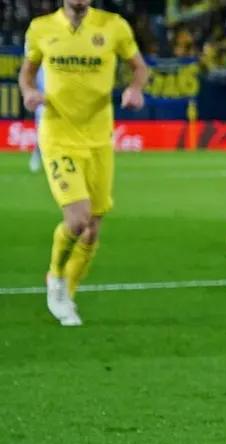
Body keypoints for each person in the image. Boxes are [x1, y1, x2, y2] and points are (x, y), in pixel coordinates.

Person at [19, 0, 149, 326]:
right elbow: (27, 74)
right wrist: (29, 92)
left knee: (92, 231)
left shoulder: (114, 26)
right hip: (58, 137)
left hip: (99, 140)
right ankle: (55, 279)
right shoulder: (41, 29)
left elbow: (139, 68)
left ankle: (68, 292)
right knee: (77, 220)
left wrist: (135, 89)